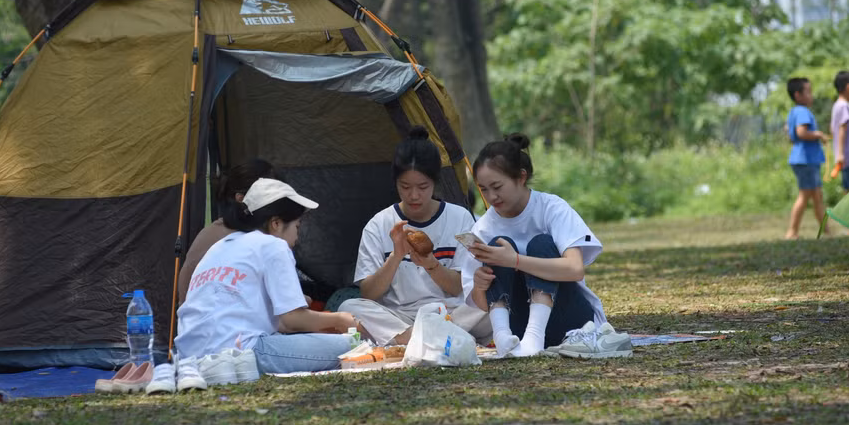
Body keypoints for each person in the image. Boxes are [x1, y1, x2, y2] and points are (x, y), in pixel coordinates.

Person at [455, 134, 627, 359]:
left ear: (521, 177)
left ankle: (535, 337)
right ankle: (502, 335)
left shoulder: (551, 207)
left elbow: (575, 269)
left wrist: (514, 261)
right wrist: (479, 285)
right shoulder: (484, 227)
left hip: (570, 322)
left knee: (541, 243)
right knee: (493, 248)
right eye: (484, 189)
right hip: (518, 329)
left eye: (497, 186)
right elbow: (479, 302)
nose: (491, 196)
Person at [175, 178, 358, 374]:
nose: (297, 238)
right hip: (241, 353)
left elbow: (273, 320)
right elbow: (291, 320)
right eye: (297, 227)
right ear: (276, 223)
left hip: (189, 357)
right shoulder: (273, 245)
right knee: (349, 346)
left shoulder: (220, 246)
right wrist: (339, 320)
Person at [341, 126, 491, 345]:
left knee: (493, 303)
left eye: (422, 186)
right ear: (395, 183)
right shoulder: (379, 224)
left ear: (435, 182)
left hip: (451, 313)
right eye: (405, 186)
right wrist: (396, 256)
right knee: (349, 308)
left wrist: (431, 264)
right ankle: (431, 339)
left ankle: (417, 340)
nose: (414, 195)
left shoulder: (460, 218)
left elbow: (460, 287)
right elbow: (369, 294)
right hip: (400, 315)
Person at [176, 159, 276, 306]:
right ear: (241, 199)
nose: (276, 205)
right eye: (270, 197)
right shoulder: (244, 239)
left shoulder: (214, 230)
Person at [785, 77, 829, 239]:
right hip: (806, 160)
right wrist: (818, 134)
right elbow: (801, 133)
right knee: (805, 196)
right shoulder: (803, 112)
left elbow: (789, 134)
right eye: (808, 92)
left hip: (803, 159)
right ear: (798, 95)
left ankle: (826, 230)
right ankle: (792, 231)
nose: (812, 95)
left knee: (817, 196)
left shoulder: (793, 112)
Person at [831, 70, 849, 191]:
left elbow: (833, 129)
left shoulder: (837, 105)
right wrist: (841, 154)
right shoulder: (844, 106)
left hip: (846, 159)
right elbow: (842, 129)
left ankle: (846, 211)